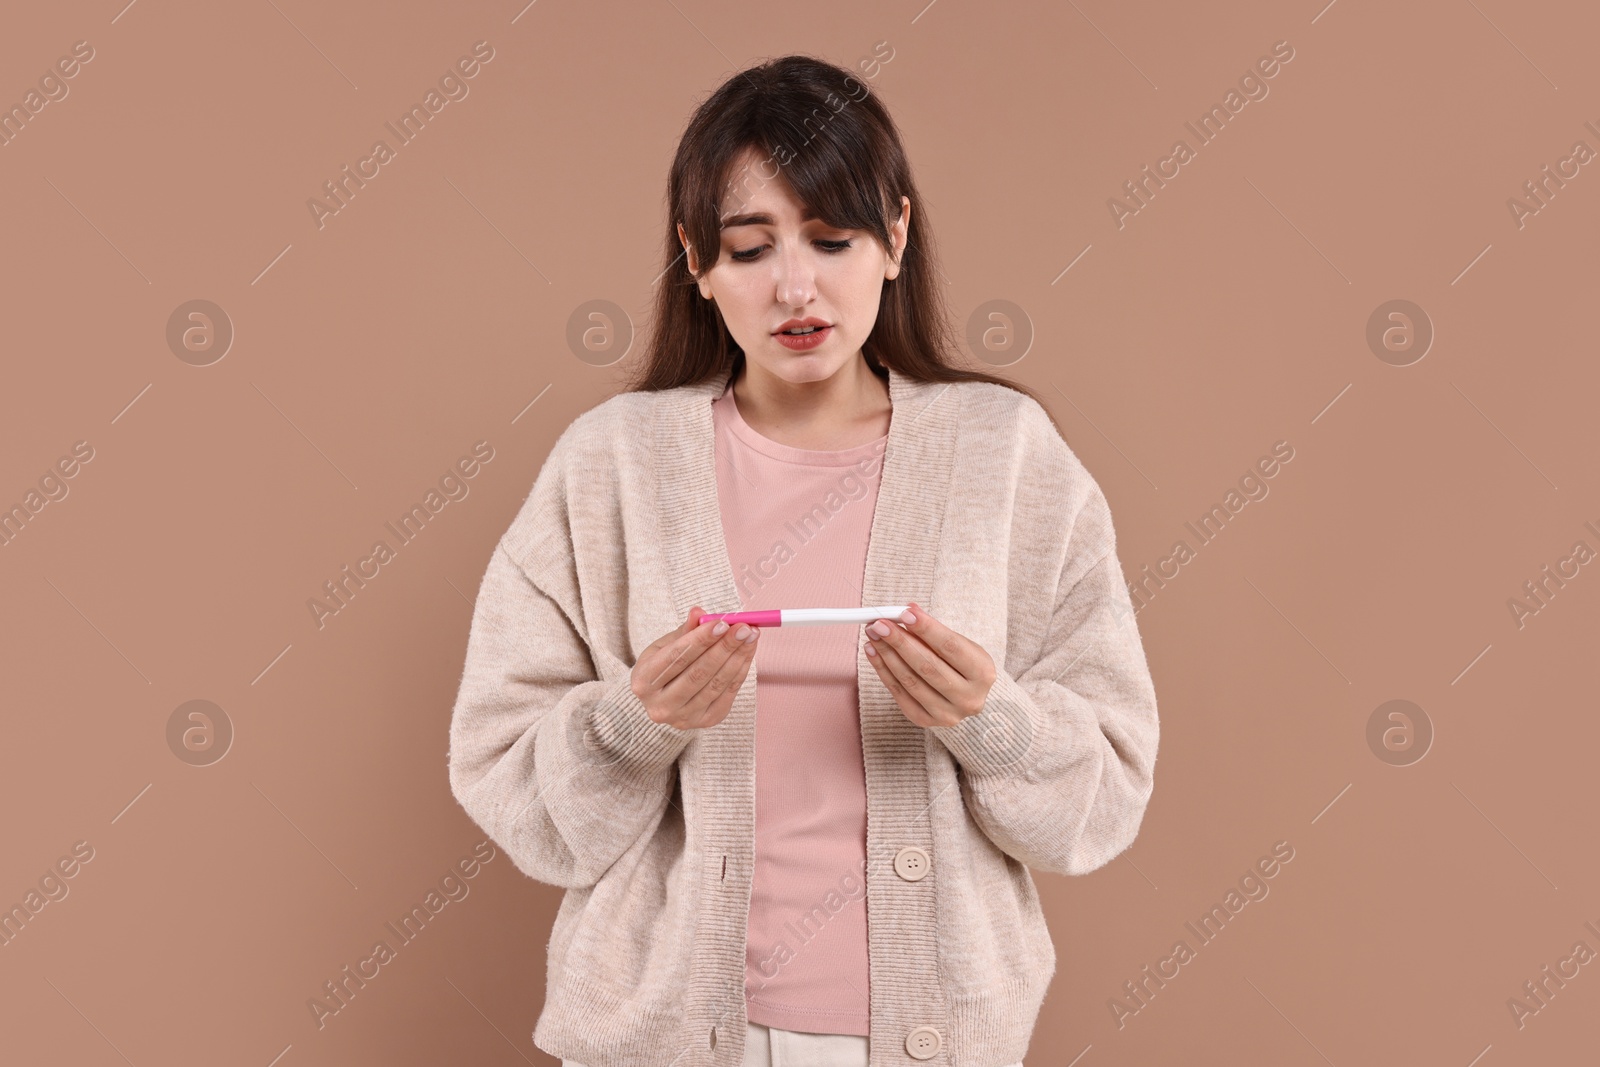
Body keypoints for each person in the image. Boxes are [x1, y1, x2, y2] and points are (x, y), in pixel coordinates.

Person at [447, 54, 1160, 1067]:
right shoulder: (612, 463)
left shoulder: (1004, 454)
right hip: (661, 1040)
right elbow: (501, 769)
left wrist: (988, 720)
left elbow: (1107, 790)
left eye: (833, 239)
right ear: (695, 260)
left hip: (935, 1037)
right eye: (748, 249)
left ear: (896, 237)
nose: (795, 286)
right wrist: (630, 723)